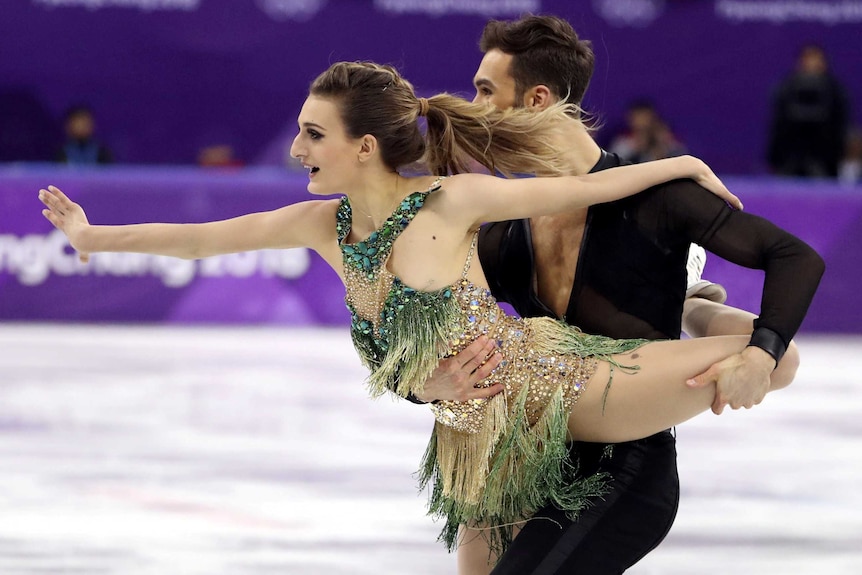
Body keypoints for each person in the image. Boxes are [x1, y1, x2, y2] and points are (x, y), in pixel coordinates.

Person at [38, 61, 818, 575]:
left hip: (556, 385)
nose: (297, 146)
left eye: (313, 133)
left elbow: (585, 188)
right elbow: (199, 239)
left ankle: (693, 311)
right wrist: (89, 235)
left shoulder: (450, 202)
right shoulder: (325, 226)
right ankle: (694, 313)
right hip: (477, 443)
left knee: (768, 359)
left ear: (364, 145)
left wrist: (681, 165)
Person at [410, 15, 825, 574]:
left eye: (486, 90)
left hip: (623, 472)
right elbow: (427, 338)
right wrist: (426, 388)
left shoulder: (659, 200)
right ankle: (691, 304)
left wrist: (761, 351)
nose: (474, 105)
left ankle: (691, 306)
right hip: (523, 463)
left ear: (537, 100)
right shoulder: (505, 231)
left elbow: (795, 257)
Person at [767, 44, 851, 178]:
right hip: (789, 159)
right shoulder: (786, 89)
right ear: (800, 62)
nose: (812, 64)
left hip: (825, 159)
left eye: (816, 59)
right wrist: (776, 159)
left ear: (824, 63)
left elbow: (841, 127)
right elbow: (777, 127)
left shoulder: (835, 92)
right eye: (808, 59)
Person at [608, 99, 687, 164]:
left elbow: (683, 159)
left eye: (644, 117)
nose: (641, 122)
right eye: (637, 117)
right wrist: (636, 149)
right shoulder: (623, 141)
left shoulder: (666, 138)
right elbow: (614, 165)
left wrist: (662, 146)